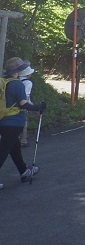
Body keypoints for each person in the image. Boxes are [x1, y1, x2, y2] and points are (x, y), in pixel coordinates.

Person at [1, 57, 46, 189]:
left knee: (14, 148)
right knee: (3, 151)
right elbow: (24, 104)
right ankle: (24, 171)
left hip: (2, 119)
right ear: (19, 71)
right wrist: (39, 107)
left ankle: (24, 172)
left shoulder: (3, 82)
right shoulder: (17, 84)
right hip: (14, 122)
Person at [18, 65, 35, 147]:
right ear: (27, 75)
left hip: (13, 105)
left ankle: (15, 140)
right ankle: (23, 140)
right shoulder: (28, 83)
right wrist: (30, 105)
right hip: (23, 104)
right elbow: (26, 95)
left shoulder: (16, 80)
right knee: (24, 122)